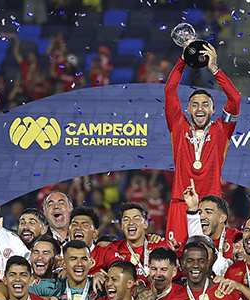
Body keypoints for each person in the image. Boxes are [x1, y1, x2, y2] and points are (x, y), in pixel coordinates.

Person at [163, 42, 241, 243]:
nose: (200, 108)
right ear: (187, 109)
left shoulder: (222, 129)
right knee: (176, 254)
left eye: (205, 104)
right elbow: (170, 90)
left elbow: (235, 98)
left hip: (210, 206)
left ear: (213, 110)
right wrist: (184, 59)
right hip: (180, 202)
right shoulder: (178, 126)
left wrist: (214, 70)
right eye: (195, 105)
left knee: (208, 256)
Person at [183, 180, 239, 276]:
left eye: (208, 212)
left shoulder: (236, 238)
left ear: (222, 218)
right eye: (199, 213)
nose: (201, 216)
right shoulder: (191, 237)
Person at [103, 202, 171, 280]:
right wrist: (98, 274)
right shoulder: (113, 250)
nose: (131, 222)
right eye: (126, 220)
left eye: (136, 219)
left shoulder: (160, 246)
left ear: (145, 224)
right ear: (122, 226)